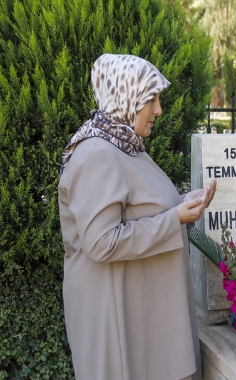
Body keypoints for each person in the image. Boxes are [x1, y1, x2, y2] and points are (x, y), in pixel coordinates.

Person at [58, 54, 215, 380]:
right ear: (125, 97)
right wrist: (174, 220)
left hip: (145, 320)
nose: (158, 109)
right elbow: (100, 243)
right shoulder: (96, 155)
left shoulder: (125, 146)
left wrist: (184, 205)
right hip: (122, 330)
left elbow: (143, 209)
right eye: (151, 99)